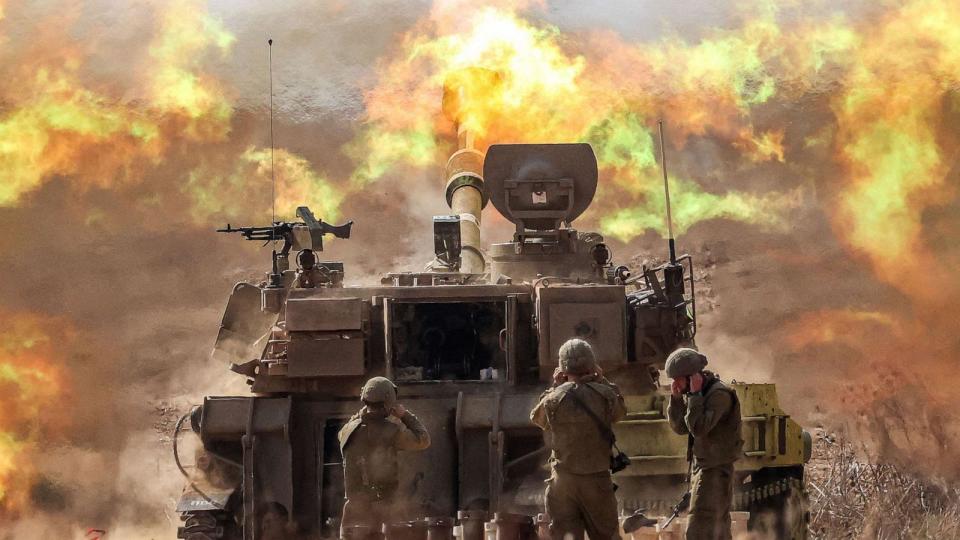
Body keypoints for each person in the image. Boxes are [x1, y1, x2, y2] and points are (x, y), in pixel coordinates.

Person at [531, 338, 627, 540]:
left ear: (563, 369)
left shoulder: (554, 398)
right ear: (592, 365)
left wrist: (555, 386)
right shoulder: (605, 395)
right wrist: (602, 380)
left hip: (563, 483)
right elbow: (620, 412)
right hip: (596, 481)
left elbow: (537, 418)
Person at [338, 376, 431, 539]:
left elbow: (347, 429)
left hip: (353, 511)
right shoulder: (391, 432)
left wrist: (362, 413)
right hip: (383, 509)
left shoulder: (347, 430)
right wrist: (404, 415)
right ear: (389, 401)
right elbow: (423, 439)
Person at [665, 348, 743, 540]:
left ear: (692, 377)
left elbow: (698, 428)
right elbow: (682, 428)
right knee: (718, 531)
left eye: (678, 379)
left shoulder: (719, 395)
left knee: (698, 530)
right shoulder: (697, 395)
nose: (675, 384)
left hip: (715, 472)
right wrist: (676, 401)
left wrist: (694, 396)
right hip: (705, 469)